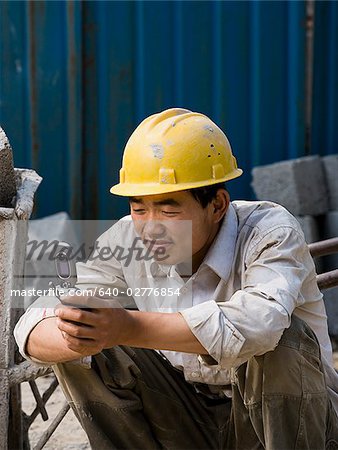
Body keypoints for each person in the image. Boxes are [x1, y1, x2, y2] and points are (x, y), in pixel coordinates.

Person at [15, 108, 338, 449]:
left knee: (281, 340)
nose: (151, 227)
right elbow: (48, 312)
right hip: (192, 420)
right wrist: (72, 330)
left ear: (218, 205)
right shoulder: (126, 239)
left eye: (169, 211)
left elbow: (260, 323)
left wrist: (128, 327)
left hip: (291, 424)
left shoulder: (268, 231)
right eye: (139, 209)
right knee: (82, 336)